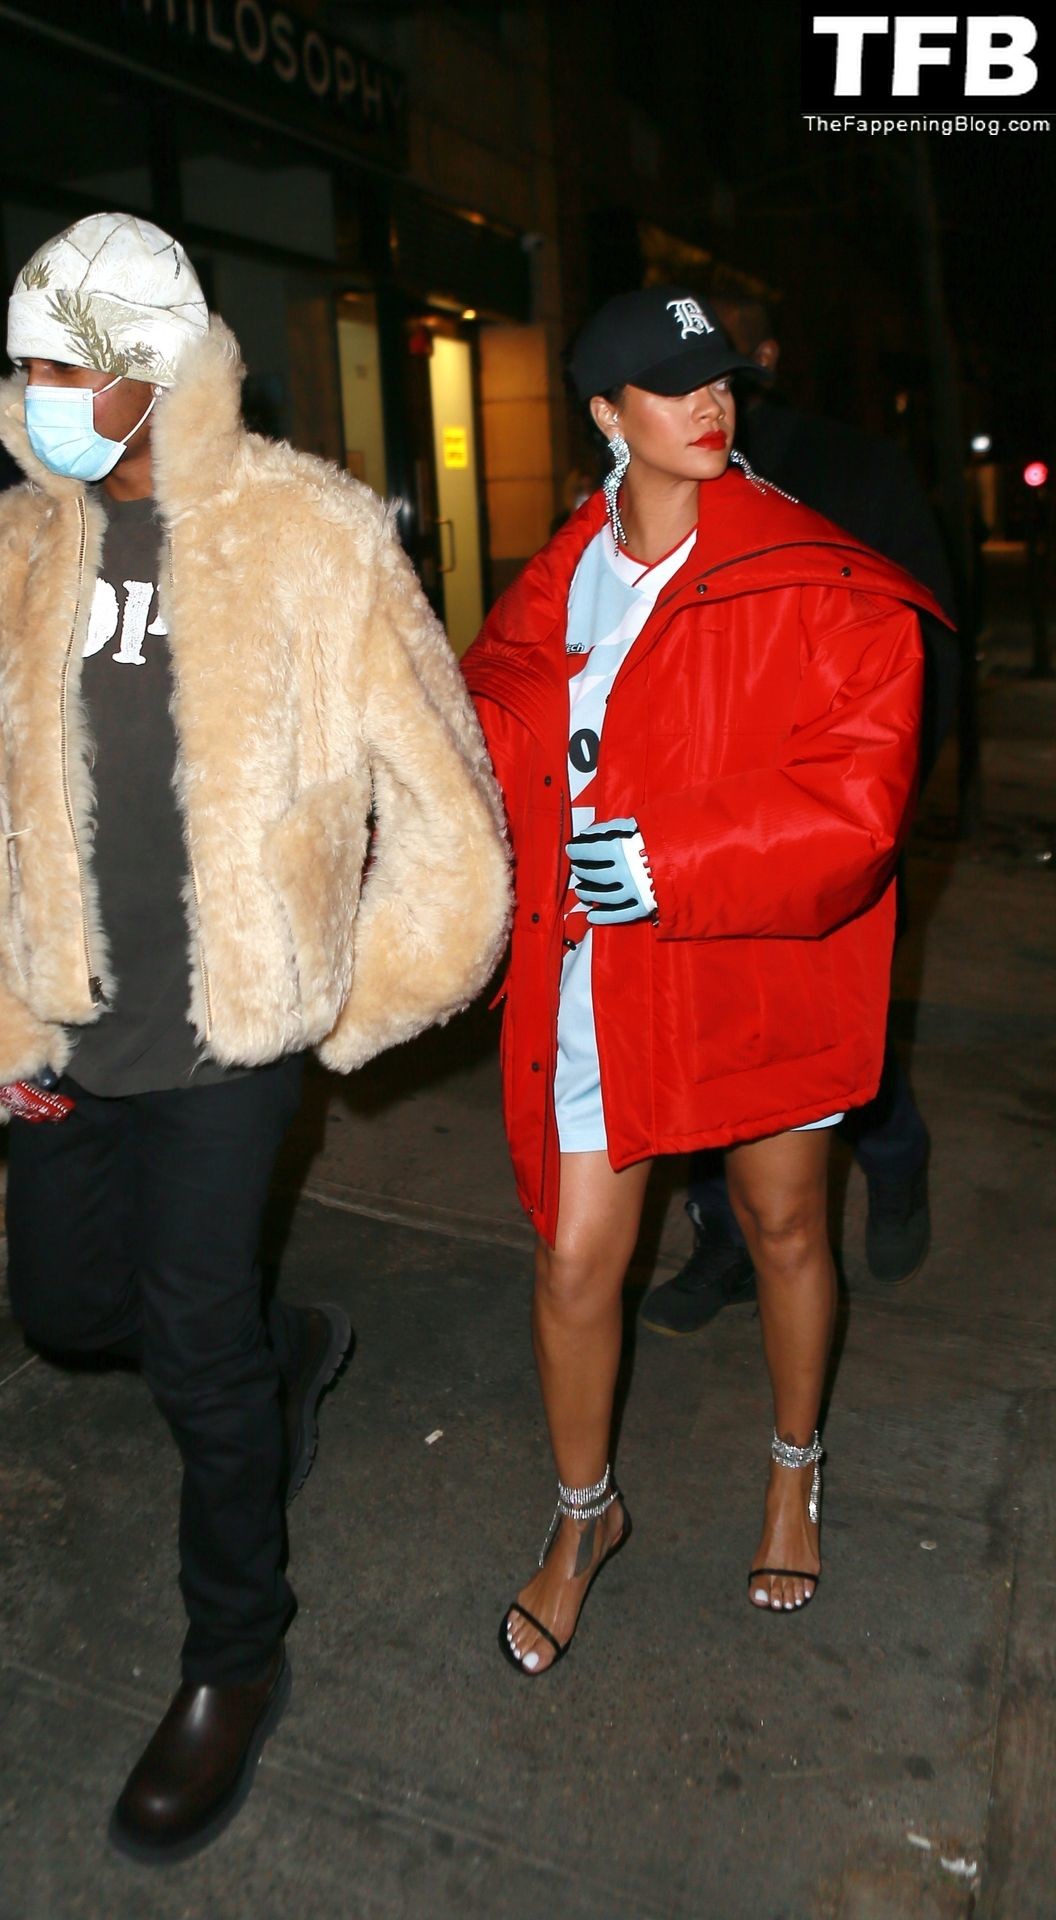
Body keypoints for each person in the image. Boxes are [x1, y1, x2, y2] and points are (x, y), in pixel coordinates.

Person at [0, 213, 510, 1857]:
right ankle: (283, 1348)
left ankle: (235, 1658)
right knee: (67, 1311)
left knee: (194, 1341)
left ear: (151, 366)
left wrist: (343, 999)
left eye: (61, 366)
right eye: (24, 366)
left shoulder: (311, 533)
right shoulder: (14, 548)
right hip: (66, 1026)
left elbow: (444, 798)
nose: (33, 395)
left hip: (232, 1036)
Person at [462, 286, 944, 1672]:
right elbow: (487, 737)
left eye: (720, 376)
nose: (711, 401)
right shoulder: (557, 580)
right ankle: (583, 1519)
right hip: (595, 968)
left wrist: (673, 856)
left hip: (749, 957)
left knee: (783, 1224)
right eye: (674, 384)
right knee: (574, 1259)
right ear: (606, 415)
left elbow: (861, 794)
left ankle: (793, 1472)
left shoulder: (813, 570)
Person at [642, 290, 959, 1334]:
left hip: (828, 817)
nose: (697, 374)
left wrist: (886, 804)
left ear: (765, 357)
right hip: (689, 825)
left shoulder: (853, 469)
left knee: (826, 1023)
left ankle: (892, 1154)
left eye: (720, 352)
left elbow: (927, 645)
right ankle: (725, 1237)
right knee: (700, 1032)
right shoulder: (650, 474)